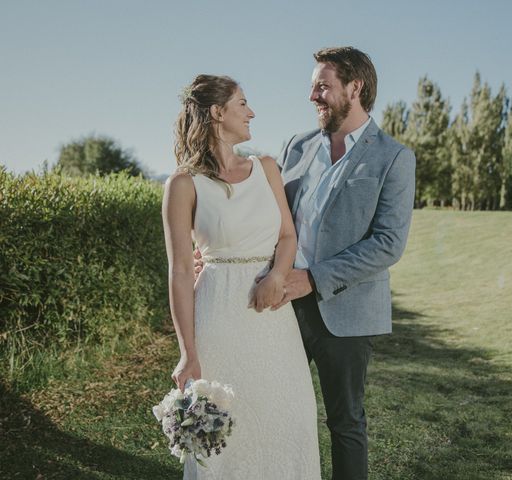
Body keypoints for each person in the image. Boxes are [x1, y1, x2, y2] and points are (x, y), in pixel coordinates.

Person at [162, 74, 321, 480]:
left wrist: (277, 275)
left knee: (287, 418)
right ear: (217, 113)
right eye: (242, 103)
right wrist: (187, 352)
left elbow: (287, 236)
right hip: (216, 315)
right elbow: (181, 270)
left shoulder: (267, 167)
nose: (251, 112)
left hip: (272, 319)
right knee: (226, 435)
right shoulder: (182, 184)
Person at [274, 47, 416, 480]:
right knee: (278, 412)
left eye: (323, 86)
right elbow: (272, 220)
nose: (313, 95)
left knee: (345, 422)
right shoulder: (295, 146)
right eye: (313, 86)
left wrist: (313, 279)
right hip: (282, 307)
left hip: (348, 314)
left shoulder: (392, 157)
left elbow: (389, 243)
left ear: (355, 88)